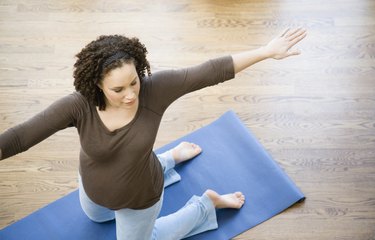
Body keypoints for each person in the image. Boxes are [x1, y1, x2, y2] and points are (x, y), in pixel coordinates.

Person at [0, 28, 306, 239]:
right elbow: (19, 137)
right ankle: (169, 158)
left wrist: (266, 52)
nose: (131, 94)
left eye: (133, 82)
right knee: (96, 217)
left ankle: (205, 205)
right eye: (117, 89)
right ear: (97, 85)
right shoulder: (78, 106)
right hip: (93, 192)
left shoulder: (154, 90)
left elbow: (209, 71)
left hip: (140, 197)